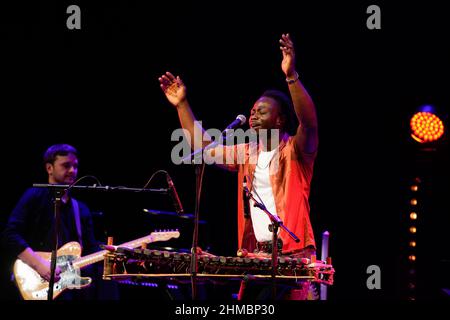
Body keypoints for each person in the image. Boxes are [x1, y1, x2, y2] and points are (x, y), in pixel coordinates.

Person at [159, 33, 319, 300]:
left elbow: (310, 123)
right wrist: (182, 104)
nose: (254, 114)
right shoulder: (246, 153)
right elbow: (204, 148)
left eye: (262, 111)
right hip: (256, 256)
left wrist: (291, 75)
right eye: (253, 110)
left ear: (279, 121)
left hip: (292, 256)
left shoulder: (296, 151)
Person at [1, 143, 118, 300]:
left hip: (67, 289)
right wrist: (39, 264)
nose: (72, 171)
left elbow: (90, 249)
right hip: (33, 279)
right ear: (49, 168)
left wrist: (116, 257)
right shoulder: (34, 196)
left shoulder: (80, 208)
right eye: (66, 165)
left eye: (75, 166)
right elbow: (10, 235)